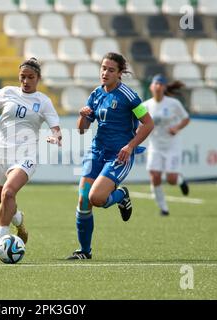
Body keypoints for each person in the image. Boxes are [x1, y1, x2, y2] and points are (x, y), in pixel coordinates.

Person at [0, 57, 62, 256]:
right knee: (4, 200)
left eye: (30, 77)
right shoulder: (7, 92)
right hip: (0, 153)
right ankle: (19, 221)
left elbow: (55, 128)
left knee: (8, 193)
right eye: (22, 77)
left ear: (38, 78)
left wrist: (56, 137)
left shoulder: (43, 101)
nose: (26, 81)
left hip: (26, 154)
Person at [67, 52, 154, 260]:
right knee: (83, 200)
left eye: (111, 70)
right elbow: (82, 129)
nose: (105, 73)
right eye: (103, 68)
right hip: (97, 152)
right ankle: (84, 251)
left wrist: (130, 146)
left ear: (120, 73)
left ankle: (121, 195)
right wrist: (83, 117)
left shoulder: (129, 96)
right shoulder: (96, 94)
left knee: (96, 198)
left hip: (118, 156)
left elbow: (148, 123)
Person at [144, 74, 190, 216]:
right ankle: (163, 208)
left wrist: (176, 128)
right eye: (155, 84)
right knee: (155, 176)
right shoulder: (145, 105)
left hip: (172, 145)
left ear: (164, 87)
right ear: (151, 87)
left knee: (171, 180)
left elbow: (186, 119)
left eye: (160, 84)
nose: (158, 86)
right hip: (155, 146)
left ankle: (180, 180)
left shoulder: (173, 103)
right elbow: (138, 122)